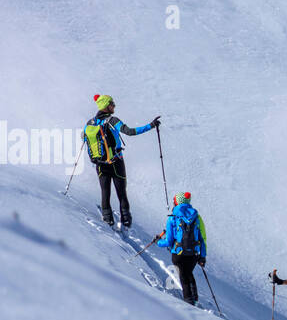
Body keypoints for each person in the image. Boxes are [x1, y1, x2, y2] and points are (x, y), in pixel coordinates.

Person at [83, 94, 160, 228]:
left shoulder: (90, 123)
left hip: (100, 163)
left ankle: (108, 221)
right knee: (121, 193)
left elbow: (85, 140)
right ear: (106, 106)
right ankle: (126, 222)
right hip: (116, 161)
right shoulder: (112, 120)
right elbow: (130, 132)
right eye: (112, 103)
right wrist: (151, 125)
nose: (114, 106)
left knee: (105, 192)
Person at [156, 192, 207, 306]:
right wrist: (202, 256)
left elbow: (169, 242)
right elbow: (201, 238)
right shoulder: (196, 217)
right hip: (194, 254)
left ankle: (189, 302)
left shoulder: (173, 218)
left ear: (177, 202)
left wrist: (158, 242)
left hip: (178, 253)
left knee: (183, 276)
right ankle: (195, 297)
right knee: (188, 272)